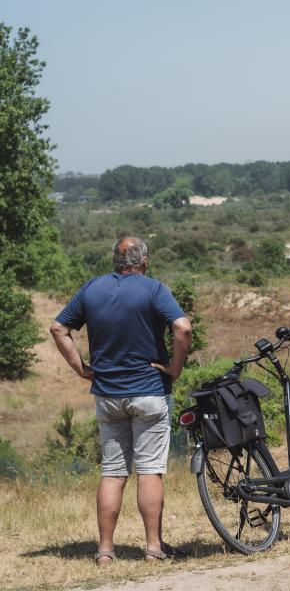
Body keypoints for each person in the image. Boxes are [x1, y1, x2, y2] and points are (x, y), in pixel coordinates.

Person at [49, 236, 192, 564]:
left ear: (116, 261)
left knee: (113, 472)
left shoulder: (91, 289)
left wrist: (82, 370)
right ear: (144, 261)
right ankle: (154, 548)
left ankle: (105, 551)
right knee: (149, 471)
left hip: (108, 394)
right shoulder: (153, 288)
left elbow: (59, 329)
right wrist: (174, 368)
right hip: (149, 391)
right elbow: (182, 328)